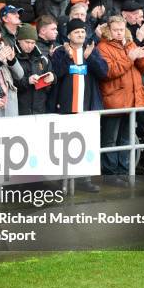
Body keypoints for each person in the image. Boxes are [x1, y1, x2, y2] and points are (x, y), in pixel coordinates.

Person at [50, 18, 107, 192]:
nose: (81, 34)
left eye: (82, 31)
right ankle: (63, 181)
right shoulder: (61, 52)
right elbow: (56, 74)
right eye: (77, 32)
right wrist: (68, 58)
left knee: (85, 144)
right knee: (65, 146)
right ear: (68, 35)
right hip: (66, 107)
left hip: (87, 106)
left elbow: (104, 72)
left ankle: (85, 180)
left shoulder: (91, 50)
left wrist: (90, 58)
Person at [97, 15, 144, 184]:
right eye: (116, 30)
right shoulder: (102, 47)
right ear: (108, 30)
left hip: (132, 99)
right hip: (114, 101)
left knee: (126, 139)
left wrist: (140, 57)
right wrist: (130, 58)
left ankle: (125, 172)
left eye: (122, 29)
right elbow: (109, 72)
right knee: (111, 140)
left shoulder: (130, 43)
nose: (119, 33)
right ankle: (110, 175)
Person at [15, 23, 55, 115]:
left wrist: (52, 78)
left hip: (40, 109)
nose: (30, 46)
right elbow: (10, 85)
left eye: (33, 43)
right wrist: (27, 81)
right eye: (27, 42)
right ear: (19, 40)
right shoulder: (12, 58)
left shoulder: (42, 58)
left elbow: (52, 74)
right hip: (20, 110)